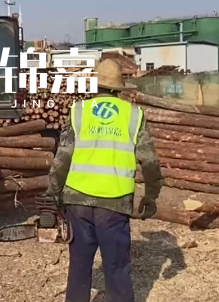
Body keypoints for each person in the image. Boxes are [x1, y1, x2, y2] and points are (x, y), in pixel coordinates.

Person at [46, 58, 164, 302]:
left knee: (79, 266)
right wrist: (151, 195)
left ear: (95, 85)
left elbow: (62, 158)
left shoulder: (79, 112)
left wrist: (54, 193)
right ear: (118, 88)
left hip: (77, 201)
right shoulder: (133, 115)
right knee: (117, 267)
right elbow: (150, 162)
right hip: (114, 203)